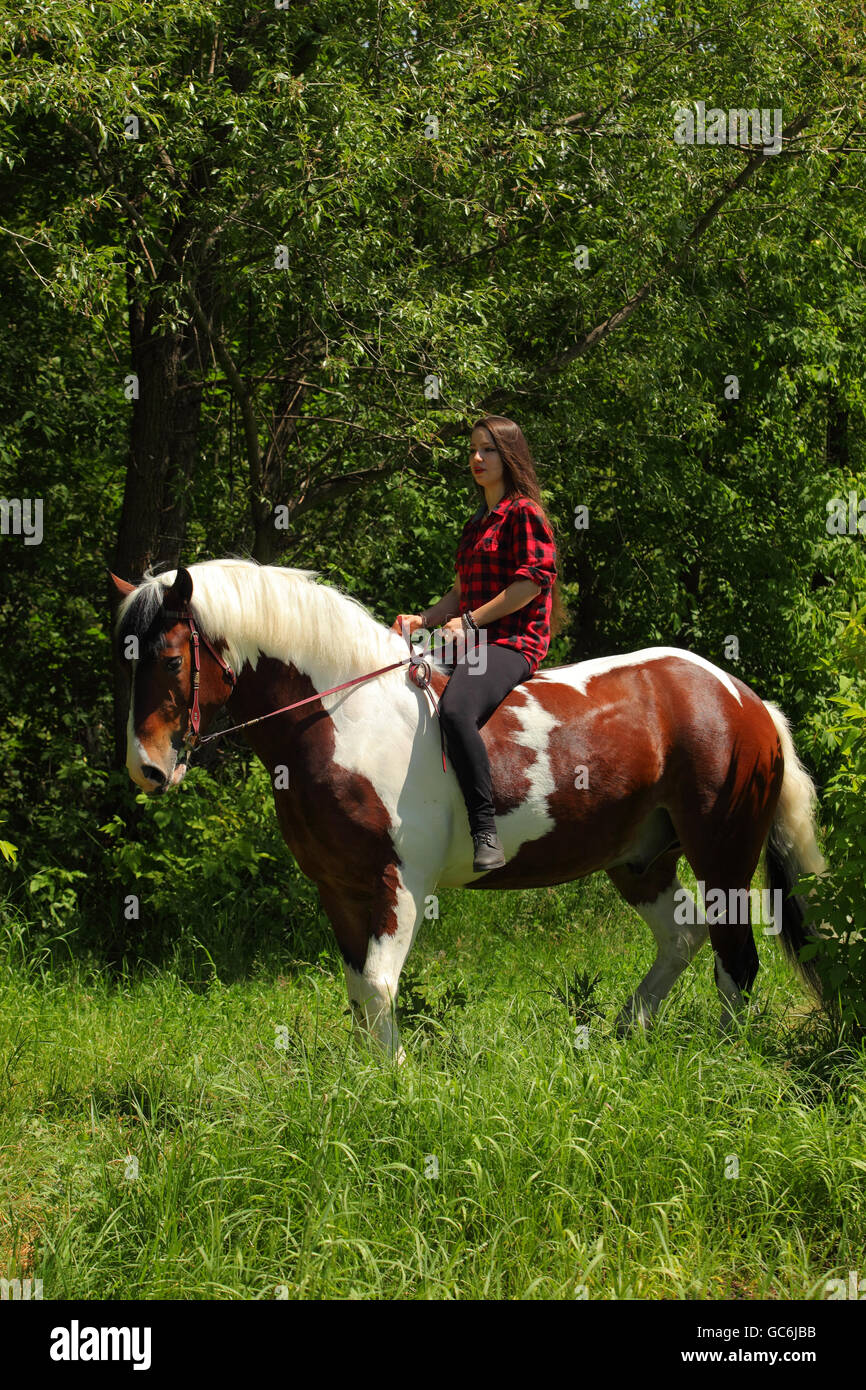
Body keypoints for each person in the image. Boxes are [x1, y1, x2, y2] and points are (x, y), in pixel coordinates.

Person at [392, 415, 562, 871]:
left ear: (507, 457)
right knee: (397, 677)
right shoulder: (476, 523)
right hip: (472, 640)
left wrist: (470, 622)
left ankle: (484, 830)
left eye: (487, 450)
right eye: (472, 449)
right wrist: (423, 619)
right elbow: (460, 592)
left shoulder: (524, 512)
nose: (476, 458)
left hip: (511, 643)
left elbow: (531, 583)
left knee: (454, 711)